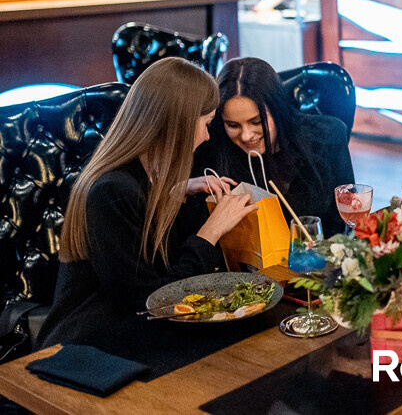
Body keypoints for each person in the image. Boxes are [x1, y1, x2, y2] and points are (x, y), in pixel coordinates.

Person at [38, 58, 258, 349]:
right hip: (89, 348)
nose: (206, 137)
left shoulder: (145, 179)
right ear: (176, 125)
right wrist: (211, 232)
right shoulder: (110, 191)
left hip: (131, 337)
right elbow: (153, 302)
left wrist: (173, 192)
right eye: (205, 124)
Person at [194, 57, 355, 235]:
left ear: (277, 110)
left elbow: (346, 219)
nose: (246, 136)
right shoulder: (212, 149)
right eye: (233, 125)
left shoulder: (327, 135)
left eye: (256, 121)